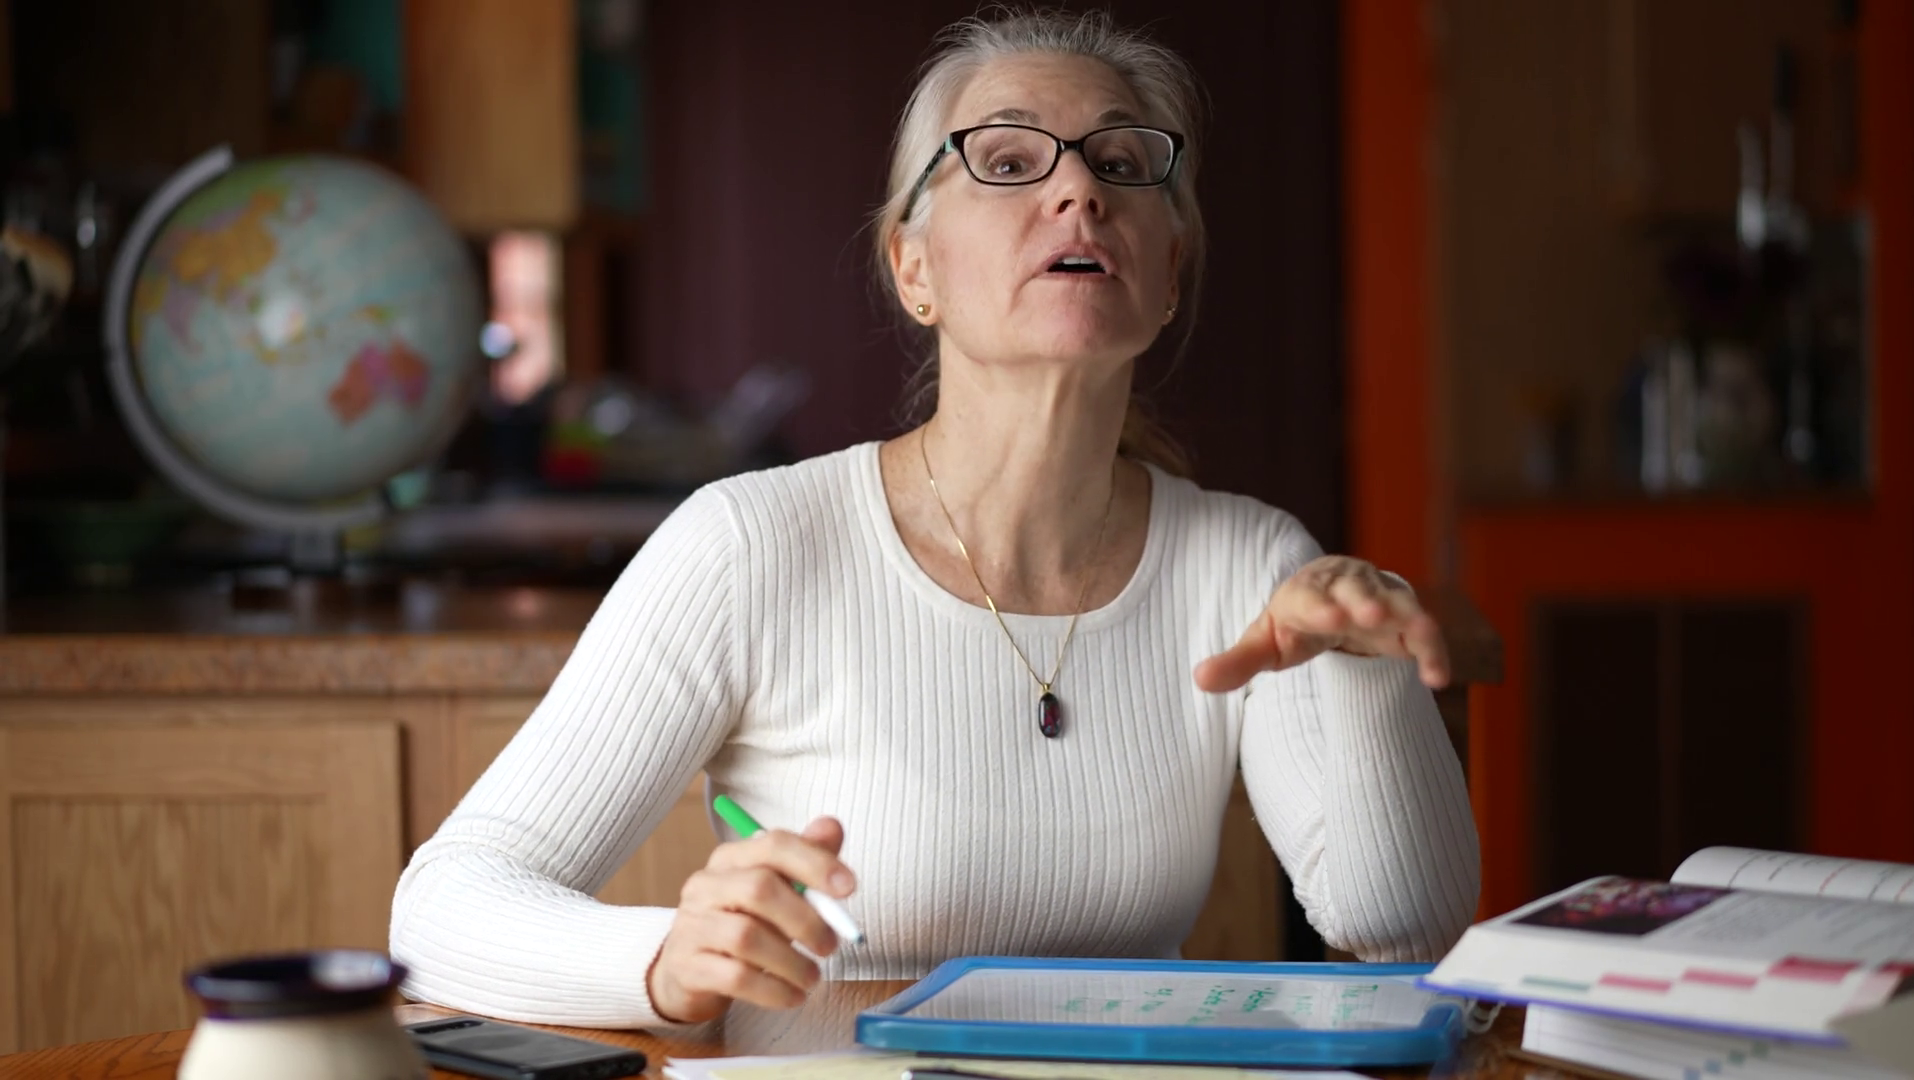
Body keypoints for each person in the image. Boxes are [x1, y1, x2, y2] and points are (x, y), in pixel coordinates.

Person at [390, 8, 1479, 1030]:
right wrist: (667, 961)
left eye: (1120, 163)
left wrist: (1362, 669)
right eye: (1006, 163)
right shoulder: (749, 545)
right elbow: (441, 907)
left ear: (1168, 272)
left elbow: (1404, 932)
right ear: (914, 268)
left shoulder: (1252, 561)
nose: (1078, 191)